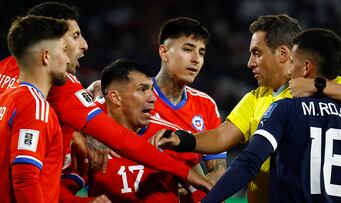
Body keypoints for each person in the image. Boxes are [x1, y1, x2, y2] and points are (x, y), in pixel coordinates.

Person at [0, 2, 214, 191]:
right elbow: (120, 139)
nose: (84, 44)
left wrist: (75, 131)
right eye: (74, 36)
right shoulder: (60, 90)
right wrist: (186, 173)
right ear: (49, 43)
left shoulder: (5, 72)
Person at [151, 14, 341, 203]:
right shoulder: (257, 97)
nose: (250, 63)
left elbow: (247, 163)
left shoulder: (326, 87)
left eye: (257, 53)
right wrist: (183, 139)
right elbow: (221, 137)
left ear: (283, 54)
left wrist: (318, 85)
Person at [202, 28, 341, 202]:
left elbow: (248, 163)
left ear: (307, 66)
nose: (290, 70)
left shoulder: (285, 108)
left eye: (292, 62)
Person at [82, 58, 211, 202]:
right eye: (142, 89)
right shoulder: (89, 139)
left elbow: (202, 193)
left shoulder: (169, 137)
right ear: (116, 97)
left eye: (151, 89)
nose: (153, 99)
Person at [152, 16, 226, 202]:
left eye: (201, 52)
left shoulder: (206, 104)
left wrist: (193, 183)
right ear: (164, 52)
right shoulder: (138, 96)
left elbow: (218, 169)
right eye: (187, 49)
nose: (196, 59)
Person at [0, 15, 70, 203]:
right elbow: (25, 179)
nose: (67, 60)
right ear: (46, 56)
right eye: (64, 51)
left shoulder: (6, 98)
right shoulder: (34, 107)